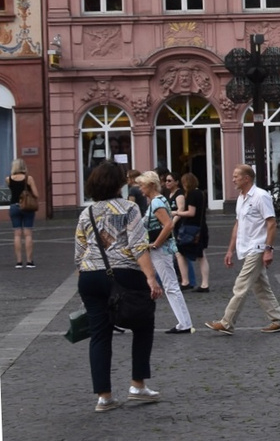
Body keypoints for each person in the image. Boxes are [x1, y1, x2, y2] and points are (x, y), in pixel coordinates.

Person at [76, 160, 165, 412]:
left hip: (90, 276)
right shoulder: (130, 208)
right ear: (119, 184)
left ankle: (104, 397)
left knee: (99, 335)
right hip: (125, 273)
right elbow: (138, 245)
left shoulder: (86, 213)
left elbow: (79, 252)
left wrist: (83, 286)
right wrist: (150, 277)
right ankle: (138, 384)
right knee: (143, 323)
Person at [206, 165, 280, 335]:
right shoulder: (240, 198)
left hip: (257, 247)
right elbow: (238, 224)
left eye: (236, 176)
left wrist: (268, 249)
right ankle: (278, 319)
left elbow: (271, 224)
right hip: (246, 248)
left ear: (247, 178)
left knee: (241, 285)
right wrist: (230, 250)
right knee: (261, 287)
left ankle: (227, 322)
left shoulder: (261, 196)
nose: (233, 179)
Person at [134, 171, 192, 335]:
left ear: (151, 185)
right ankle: (184, 322)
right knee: (170, 284)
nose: (140, 189)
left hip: (161, 249)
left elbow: (168, 225)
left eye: (142, 185)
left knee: (171, 285)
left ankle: (184, 322)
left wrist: (156, 243)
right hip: (161, 248)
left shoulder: (157, 203)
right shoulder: (158, 201)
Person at [174, 172, 209, 292]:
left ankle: (186, 281)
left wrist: (176, 213)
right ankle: (204, 283)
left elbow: (191, 212)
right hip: (201, 227)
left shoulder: (192, 194)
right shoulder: (201, 193)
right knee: (201, 255)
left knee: (181, 253)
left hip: (191, 229)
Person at [8, 158, 38, 268]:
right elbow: (36, 194)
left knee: (17, 234)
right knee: (28, 234)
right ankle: (29, 261)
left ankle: (19, 262)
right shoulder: (28, 179)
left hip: (14, 207)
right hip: (27, 208)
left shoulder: (9, 179)